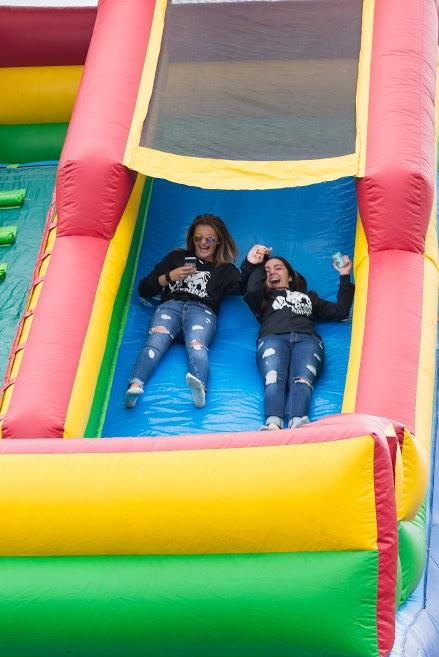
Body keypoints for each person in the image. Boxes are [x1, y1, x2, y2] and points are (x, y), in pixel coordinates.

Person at [125, 214, 241, 409]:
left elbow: (245, 288)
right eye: (198, 238)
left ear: (218, 240)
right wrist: (170, 276)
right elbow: (144, 289)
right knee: (156, 339)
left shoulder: (225, 269)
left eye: (209, 238)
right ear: (192, 239)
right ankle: (135, 386)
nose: (203, 243)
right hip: (171, 305)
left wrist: (252, 263)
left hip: (201, 311)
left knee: (197, 345)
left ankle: (200, 389)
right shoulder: (177, 257)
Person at [241, 244, 354, 430]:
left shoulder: (308, 298)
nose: (272, 272)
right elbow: (252, 290)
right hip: (273, 338)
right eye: (267, 270)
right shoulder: (262, 299)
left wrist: (344, 275)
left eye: (278, 268)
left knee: (302, 379)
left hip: (307, 340)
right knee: (273, 377)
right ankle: (273, 424)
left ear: (290, 276)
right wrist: (259, 264)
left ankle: (297, 422)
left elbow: (341, 311)